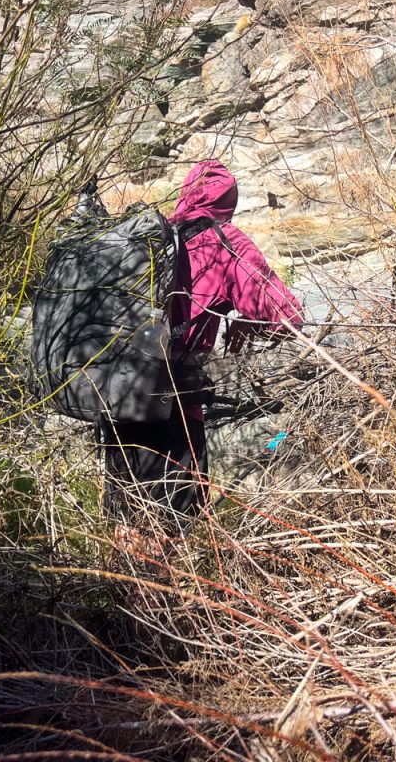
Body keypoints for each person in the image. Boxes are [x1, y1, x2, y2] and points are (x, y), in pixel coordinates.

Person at [101, 160, 304, 543]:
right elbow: (287, 316)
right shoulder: (223, 242)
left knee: (127, 528)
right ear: (228, 203)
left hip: (117, 397)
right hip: (173, 405)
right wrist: (250, 322)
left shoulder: (149, 240)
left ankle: (117, 582)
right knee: (168, 530)